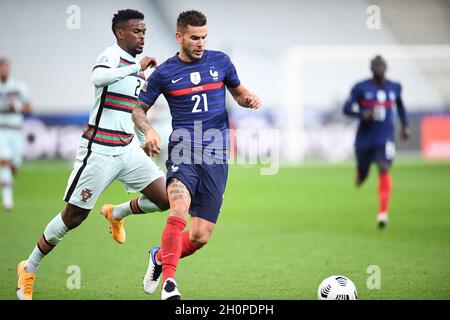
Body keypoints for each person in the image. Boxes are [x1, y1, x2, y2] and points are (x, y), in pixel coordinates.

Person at [16, 9, 169, 300]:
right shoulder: (110, 57)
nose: (142, 36)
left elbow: (131, 111)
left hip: (127, 149)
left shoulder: (137, 69)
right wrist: (135, 68)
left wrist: (142, 140)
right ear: (120, 33)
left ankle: (116, 212)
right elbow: (98, 78)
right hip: (98, 150)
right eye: (136, 31)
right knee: (74, 217)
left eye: (144, 32)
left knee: (166, 199)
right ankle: (29, 266)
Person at [131, 10, 261, 300]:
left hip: (216, 155)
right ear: (179, 37)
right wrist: (149, 131)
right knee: (178, 209)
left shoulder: (221, 62)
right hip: (184, 150)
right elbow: (138, 109)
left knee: (200, 235)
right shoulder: (165, 72)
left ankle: (158, 257)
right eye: (194, 37)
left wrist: (248, 99)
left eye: (204, 37)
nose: (200, 42)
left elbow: (238, 92)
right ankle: (169, 285)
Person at [343, 55, 410, 228]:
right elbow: (346, 109)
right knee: (363, 175)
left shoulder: (395, 87)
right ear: (371, 68)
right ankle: (360, 174)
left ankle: (382, 213)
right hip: (364, 138)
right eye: (375, 65)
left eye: (381, 65)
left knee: (383, 167)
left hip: (385, 137)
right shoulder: (360, 87)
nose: (379, 68)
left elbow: (401, 107)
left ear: (386, 67)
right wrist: (361, 114)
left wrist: (405, 126)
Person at [0, 58, 31, 211]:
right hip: (1, 130)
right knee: (3, 160)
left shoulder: (18, 87)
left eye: (5, 68)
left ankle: (5, 179)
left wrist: (16, 105)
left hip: (16, 131)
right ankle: (7, 198)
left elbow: (28, 107)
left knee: (14, 167)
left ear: (8, 69)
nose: (3, 71)